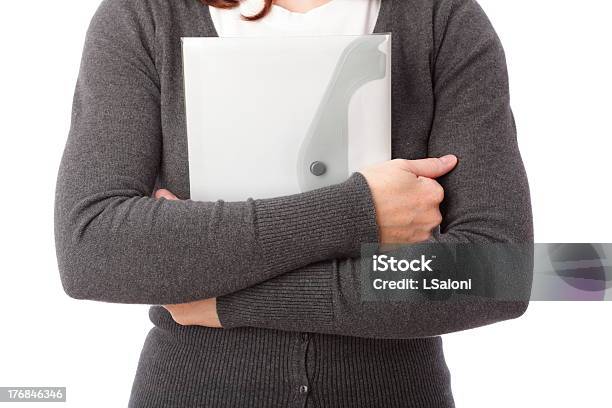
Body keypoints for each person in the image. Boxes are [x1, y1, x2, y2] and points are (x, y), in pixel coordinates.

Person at [54, 0, 533, 406]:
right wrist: (359, 211)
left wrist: (222, 300)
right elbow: (90, 250)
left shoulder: (441, 16)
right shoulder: (144, 15)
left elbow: (498, 274)